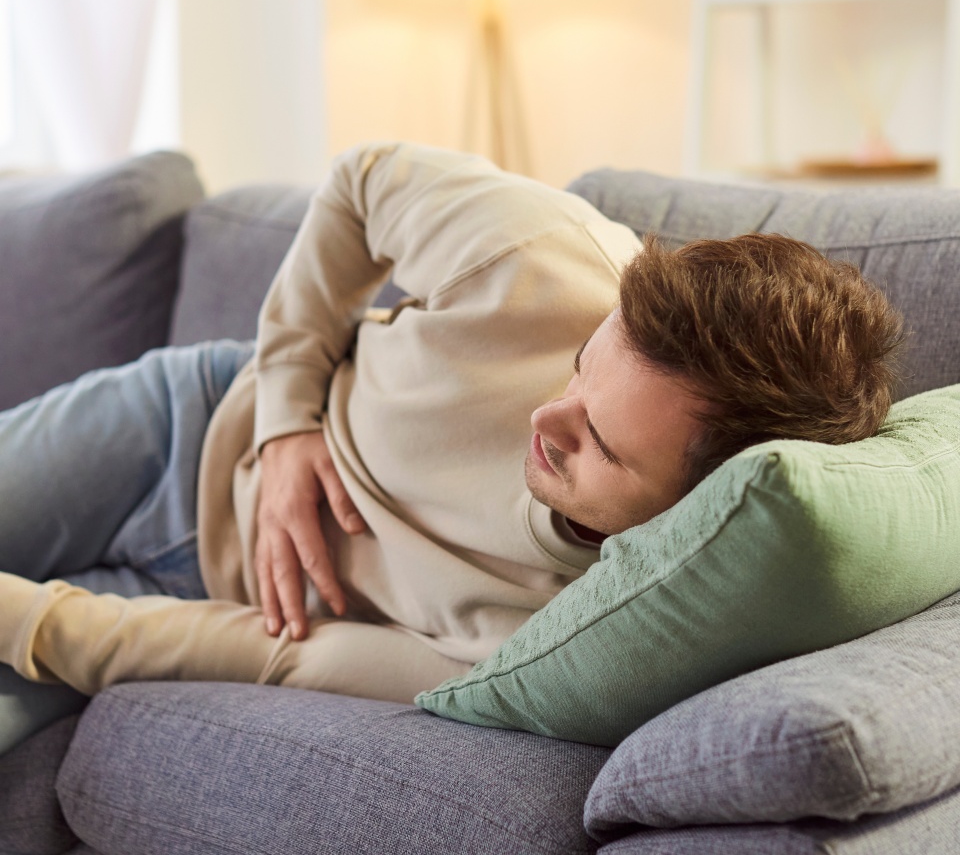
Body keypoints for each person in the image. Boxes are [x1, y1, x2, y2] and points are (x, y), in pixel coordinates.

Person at [0, 143, 903, 755]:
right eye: (585, 366)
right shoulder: (544, 256)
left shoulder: (568, 637)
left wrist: (30, 620)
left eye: (600, 446)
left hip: (208, 598)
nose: (548, 417)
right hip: (182, 427)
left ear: (691, 513)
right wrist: (285, 424)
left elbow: (289, 657)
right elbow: (361, 183)